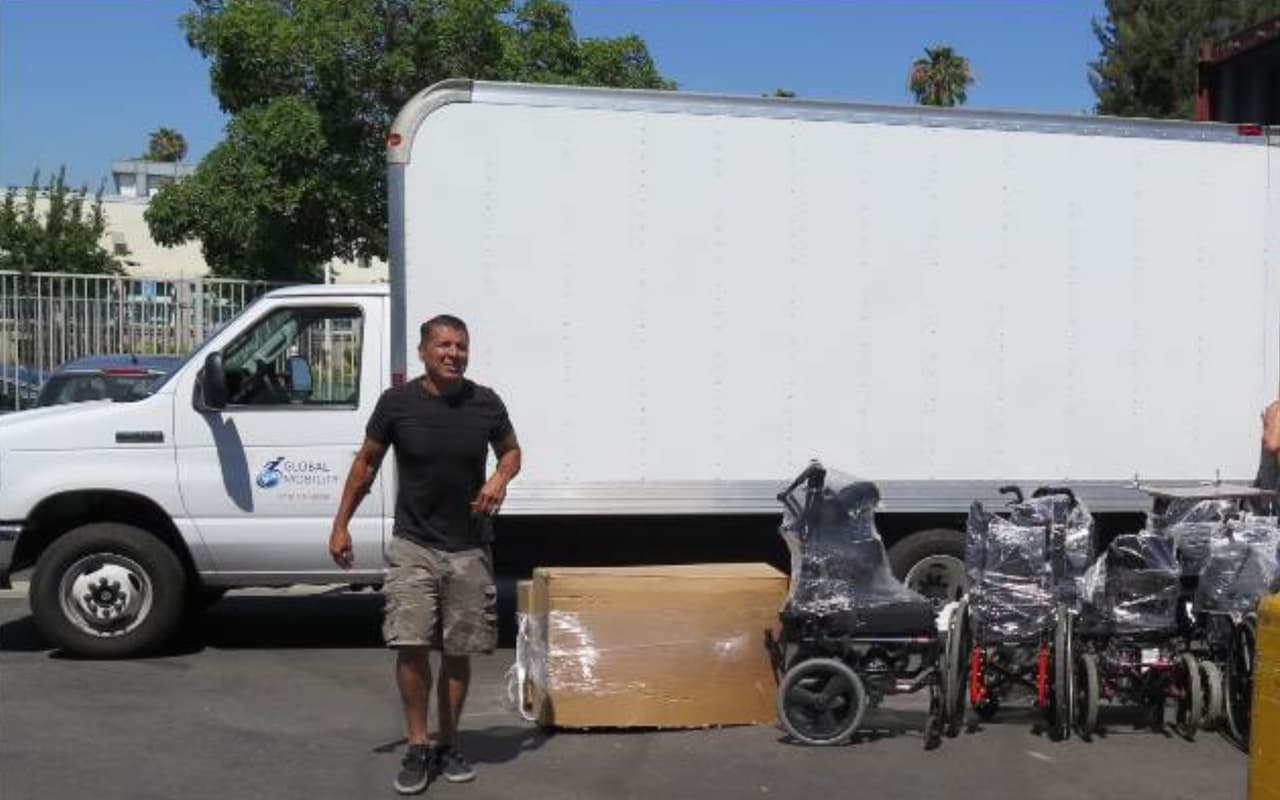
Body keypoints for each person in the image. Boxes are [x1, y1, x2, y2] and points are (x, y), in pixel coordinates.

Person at [328, 314, 521, 795]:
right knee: (411, 645)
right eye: (443, 345)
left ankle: (449, 741)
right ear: (422, 352)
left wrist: (499, 478)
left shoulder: (485, 402)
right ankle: (418, 745)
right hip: (414, 543)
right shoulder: (398, 404)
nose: (453, 353)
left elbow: (512, 452)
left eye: (461, 345)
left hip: (469, 548)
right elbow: (366, 462)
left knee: (459, 652)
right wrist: (340, 525)